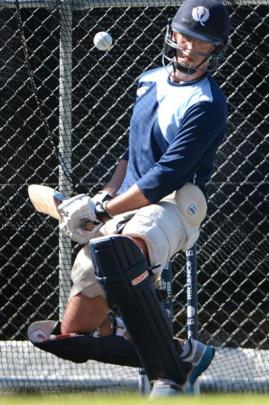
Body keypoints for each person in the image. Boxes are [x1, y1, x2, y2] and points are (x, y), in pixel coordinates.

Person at [28, 0, 230, 397]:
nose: (191, 48)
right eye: (186, 36)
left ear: (215, 49)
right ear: (172, 33)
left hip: (172, 206)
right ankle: (178, 353)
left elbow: (163, 177)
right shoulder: (148, 80)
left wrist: (101, 210)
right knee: (69, 338)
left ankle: (167, 379)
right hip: (126, 202)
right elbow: (130, 155)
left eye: (202, 43)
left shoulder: (208, 103)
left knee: (124, 251)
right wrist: (102, 196)